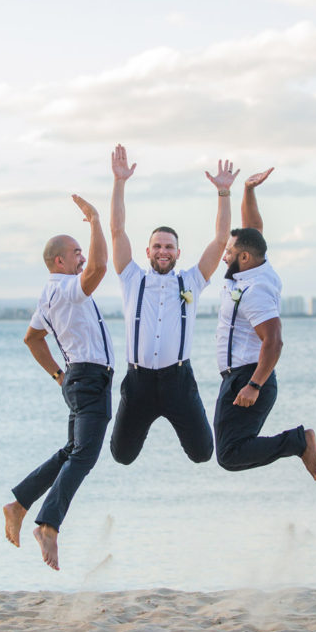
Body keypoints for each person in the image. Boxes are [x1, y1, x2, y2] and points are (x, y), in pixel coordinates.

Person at [107, 144, 238, 466]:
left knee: (202, 453)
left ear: (178, 252)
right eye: (157, 246)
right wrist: (120, 182)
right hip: (138, 382)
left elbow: (221, 241)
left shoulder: (191, 281)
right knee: (121, 456)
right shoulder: (130, 277)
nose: (163, 251)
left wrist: (223, 193)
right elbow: (116, 229)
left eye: (169, 247)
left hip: (178, 381)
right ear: (147, 251)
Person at [3, 194, 114, 571]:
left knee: (72, 451)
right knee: (84, 454)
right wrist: (97, 220)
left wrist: (58, 375)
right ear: (59, 261)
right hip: (89, 379)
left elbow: (32, 339)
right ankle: (48, 525)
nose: (82, 258)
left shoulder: (48, 295)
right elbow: (99, 268)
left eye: (82, 252)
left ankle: (19, 503)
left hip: (80, 378)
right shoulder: (64, 287)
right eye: (76, 252)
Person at [213, 168, 316, 480]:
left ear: (245, 258)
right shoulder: (254, 268)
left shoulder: (255, 290)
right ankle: (297, 441)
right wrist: (248, 190)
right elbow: (254, 228)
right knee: (229, 453)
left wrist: (254, 385)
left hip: (248, 378)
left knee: (230, 454)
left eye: (229, 253)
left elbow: (273, 341)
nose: (224, 257)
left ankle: (299, 441)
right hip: (238, 377)